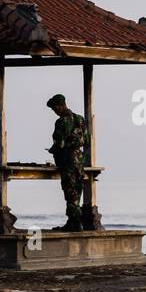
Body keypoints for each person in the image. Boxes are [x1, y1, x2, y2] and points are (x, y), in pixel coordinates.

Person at [45, 93, 88, 232]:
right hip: (79, 160)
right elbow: (86, 140)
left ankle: (75, 224)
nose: (54, 111)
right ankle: (74, 222)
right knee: (77, 191)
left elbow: (60, 143)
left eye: (54, 108)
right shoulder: (80, 119)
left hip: (68, 161)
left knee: (70, 192)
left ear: (59, 105)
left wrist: (53, 150)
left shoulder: (62, 121)